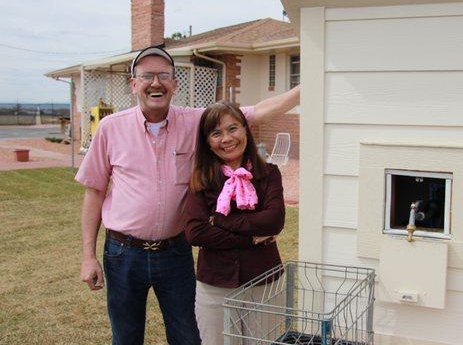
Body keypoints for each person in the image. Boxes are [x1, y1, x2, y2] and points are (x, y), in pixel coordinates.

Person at [76, 46, 299, 345]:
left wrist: (308, 85)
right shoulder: (109, 128)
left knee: (187, 336)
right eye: (147, 76)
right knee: (126, 336)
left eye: (164, 76)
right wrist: (88, 256)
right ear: (133, 84)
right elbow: (94, 191)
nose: (156, 83)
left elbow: (256, 113)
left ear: (175, 84)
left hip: (175, 252)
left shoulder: (196, 121)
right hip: (123, 252)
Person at [184, 101, 285, 345]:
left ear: (245, 130)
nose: (226, 139)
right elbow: (196, 232)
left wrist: (219, 220)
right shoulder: (202, 178)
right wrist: (251, 237)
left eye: (233, 129)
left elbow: (274, 221)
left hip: (264, 282)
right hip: (215, 285)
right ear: (207, 141)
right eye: (216, 133)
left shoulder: (269, 173)